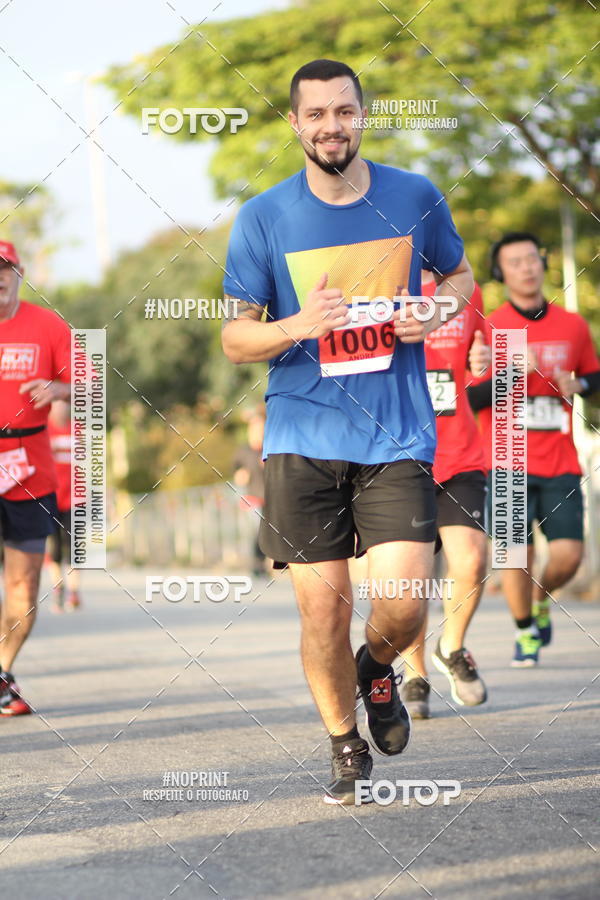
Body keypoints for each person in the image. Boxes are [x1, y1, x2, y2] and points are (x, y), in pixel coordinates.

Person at [221, 59, 473, 804]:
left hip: (396, 434)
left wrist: (436, 312)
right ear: (295, 124)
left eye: (344, 110)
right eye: (317, 114)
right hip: (301, 437)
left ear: (362, 115)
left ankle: (377, 667)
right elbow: (236, 340)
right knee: (321, 610)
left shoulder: (414, 196)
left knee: (405, 601)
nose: (332, 124)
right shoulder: (264, 217)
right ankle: (342, 742)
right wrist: (296, 325)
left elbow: (457, 279)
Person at [468, 232, 600, 666]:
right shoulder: (487, 327)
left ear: (542, 263)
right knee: (513, 555)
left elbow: (594, 380)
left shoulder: (573, 325)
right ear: (500, 273)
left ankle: (541, 598)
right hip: (506, 456)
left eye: (531, 258)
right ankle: (525, 631)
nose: (526, 267)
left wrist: (577, 384)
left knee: (568, 555)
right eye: (514, 262)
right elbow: (467, 398)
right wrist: (504, 372)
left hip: (559, 458)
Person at [401, 274, 490, 718]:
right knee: (412, 579)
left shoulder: (465, 290)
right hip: (399, 456)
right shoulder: (377, 283)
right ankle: (415, 672)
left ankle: (450, 647)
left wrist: (484, 362)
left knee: (472, 560)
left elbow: (491, 366)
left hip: (460, 453)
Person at [0, 240, 71, 715]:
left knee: (24, 586)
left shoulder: (48, 325)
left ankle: (3, 670)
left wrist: (59, 387)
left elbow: (93, 381)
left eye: (6, 268)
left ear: (20, 274)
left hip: (29, 467)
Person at [47, 400, 81, 612]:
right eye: (57, 405)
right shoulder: (44, 430)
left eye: (64, 405)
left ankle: (74, 592)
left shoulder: (77, 430)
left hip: (75, 499)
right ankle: (58, 589)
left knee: (74, 547)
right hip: (51, 498)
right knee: (55, 549)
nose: (61, 409)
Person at [232, 408, 267, 576]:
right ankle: (257, 564)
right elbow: (237, 472)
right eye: (255, 429)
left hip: (270, 496)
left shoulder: (269, 449)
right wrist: (241, 474)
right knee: (257, 528)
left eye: (261, 428)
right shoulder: (243, 450)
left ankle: (266, 562)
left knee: (269, 529)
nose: (258, 433)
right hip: (252, 498)